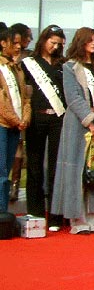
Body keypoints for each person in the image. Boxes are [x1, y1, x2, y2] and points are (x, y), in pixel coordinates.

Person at [50, 28, 94, 235]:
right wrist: (89, 122)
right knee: (76, 170)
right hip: (77, 126)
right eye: (90, 40)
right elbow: (73, 97)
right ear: (81, 42)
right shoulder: (70, 67)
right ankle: (77, 220)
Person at [21, 25, 66, 228]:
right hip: (37, 117)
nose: (55, 47)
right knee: (35, 165)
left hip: (58, 117)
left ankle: (56, 215)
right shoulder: (29, 63)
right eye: (52, 42)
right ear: (43, 40)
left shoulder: (62, 64)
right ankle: (35, 213)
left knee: (56, 166)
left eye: (58, 44)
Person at [0, 25, 31, 213]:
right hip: (3, 124)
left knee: (7, 170)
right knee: (2, 172)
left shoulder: (17, 68)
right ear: (3, 43)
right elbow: (1, 100)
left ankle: (4, 212)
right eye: (15, 43)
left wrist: (25, 118)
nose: (19, 47)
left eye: (20, 43)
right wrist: (15, 119)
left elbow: (25, 96)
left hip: (15, 126)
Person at [7, 22, 32, 203]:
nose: (29, 39)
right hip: (6, 109)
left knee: (18, 147)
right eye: (27, 36)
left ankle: (14, 185)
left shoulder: (28, 58)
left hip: (21, 109)